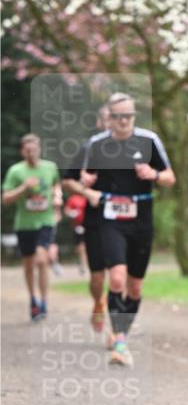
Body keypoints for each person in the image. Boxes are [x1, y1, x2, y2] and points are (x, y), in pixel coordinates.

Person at [76, 92, 175, 366]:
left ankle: (122, 333)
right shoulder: (97, 144)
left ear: (134, 115)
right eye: (117, 116)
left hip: (141, 219)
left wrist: (153, 174)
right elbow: (80, 179)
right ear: (110, 117)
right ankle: (120, 341)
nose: (123, 121)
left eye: (128, 116)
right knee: (117, 279)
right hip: (110, 220)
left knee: (135, 286)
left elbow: (170, 177)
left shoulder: (149, 140)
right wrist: (85, 180)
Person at [62, 104, 111, 331]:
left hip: (127, 222)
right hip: (96, 221)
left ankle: (117, 330)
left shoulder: (136, 147)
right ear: (99, 123)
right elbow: (67, 181)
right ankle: (98, 302)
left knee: (120, 277)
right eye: (106, 118)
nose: (112, 122)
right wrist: (87, 191)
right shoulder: (88, 149)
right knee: (98, 277)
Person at [1, 134, 61, 320]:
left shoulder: (50, 167)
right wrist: (24, 188)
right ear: (22, 151)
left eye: (34, 149)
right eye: (27, 150)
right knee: (28, 265)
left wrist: (57, 195)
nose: (31, 153)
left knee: (41, 260)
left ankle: (44, 300)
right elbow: (5, 199)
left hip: (46, 221)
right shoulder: (16, 171)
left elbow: (56, 184)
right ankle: (33, 300)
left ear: (39, 149)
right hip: (24, 224)